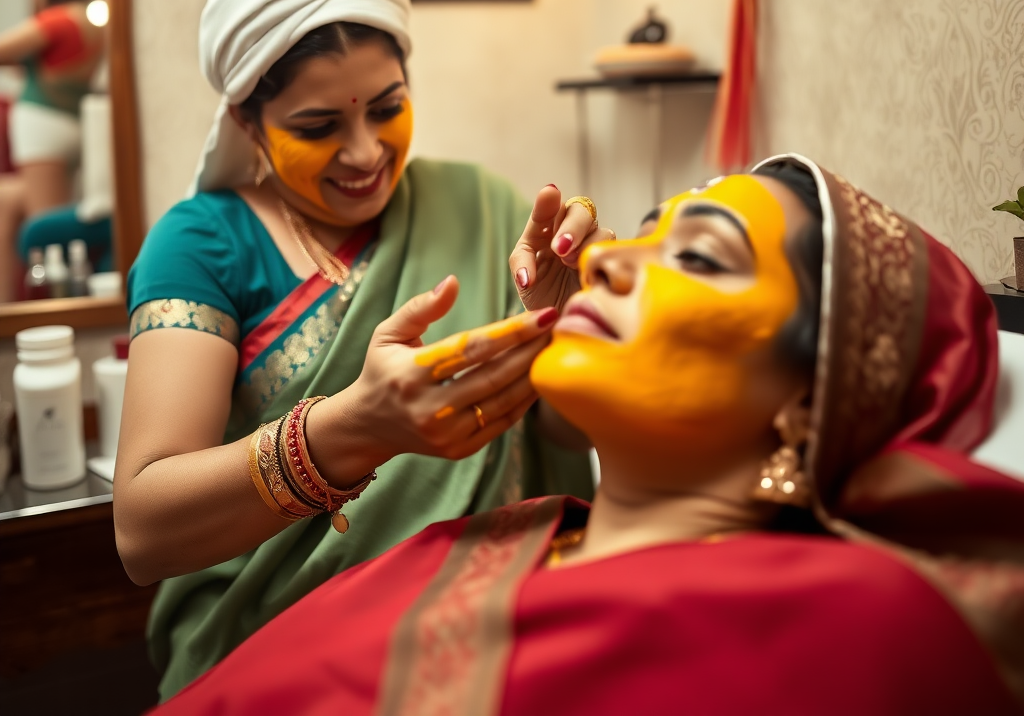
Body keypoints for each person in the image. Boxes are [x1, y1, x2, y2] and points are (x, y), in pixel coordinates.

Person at [153, 156, 1024, 716]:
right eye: (644, 234)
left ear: (812, 401)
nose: (605, 259)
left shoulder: (863, 625)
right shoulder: (491, 536)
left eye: (697, 257)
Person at [114, 0, 605, 701]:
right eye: (318, 126)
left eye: (388, 108)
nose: (365, 151)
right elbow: (142, 530)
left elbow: (563, 439)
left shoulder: (478, 204)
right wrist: (351, 431)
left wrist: (574, 339)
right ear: (248, 122)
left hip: (496, 628)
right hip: (283, 655)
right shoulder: (201, 244)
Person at [0, 0, 105, 300]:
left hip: (42, 129)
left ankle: (44, 310)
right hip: (73, 124)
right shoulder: (94, 23)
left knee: (45, 233)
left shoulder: (57, 19)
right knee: (12, 202)